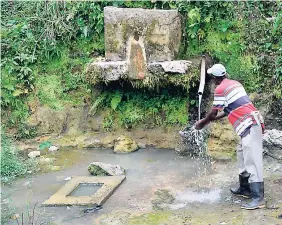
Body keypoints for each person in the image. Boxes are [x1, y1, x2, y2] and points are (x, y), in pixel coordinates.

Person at [195, 64, 265, 210]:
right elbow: (229, 109)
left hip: (250, 125)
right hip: (248, 124)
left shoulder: (220, 89)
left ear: (215, 78)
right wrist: (211, 120)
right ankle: (245, 188)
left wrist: (203, 123)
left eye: (212, 77)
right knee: (242, 156)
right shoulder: (234, 84)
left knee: (252, 161)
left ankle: (258, 198)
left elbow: (213, 113)